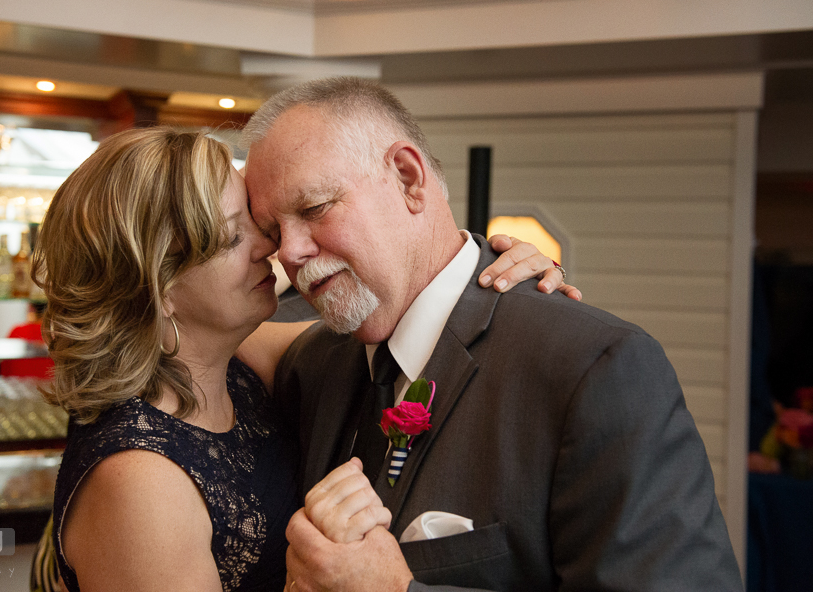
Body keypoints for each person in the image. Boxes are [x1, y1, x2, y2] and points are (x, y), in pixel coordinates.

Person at [241, 77, 743, 591]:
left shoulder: (594, 368)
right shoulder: (311, 366)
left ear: (409, 178)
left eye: (314, 208)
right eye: (274, 231)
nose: (291, 251)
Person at [37, 127, 570, 592]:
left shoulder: (239, 363)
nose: (270, 246)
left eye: (252, 219)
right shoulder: (139, 483)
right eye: (229, 237)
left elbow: (414, 328)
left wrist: (499, 284)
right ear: (156, 288)